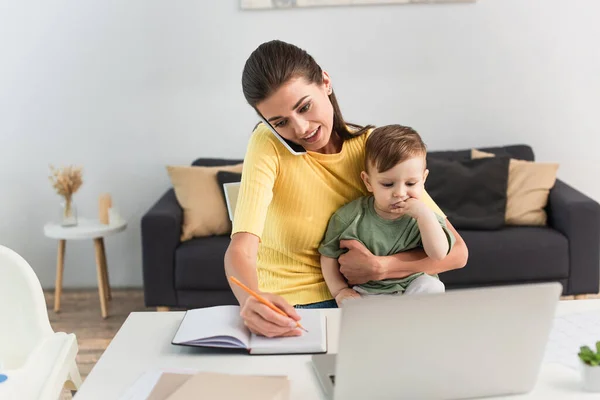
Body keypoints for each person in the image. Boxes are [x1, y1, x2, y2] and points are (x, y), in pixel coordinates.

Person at [224, 40, 468, 338]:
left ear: (325, 82)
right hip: (295, 304)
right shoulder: (268, 144)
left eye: (304, 107)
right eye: (281, 122)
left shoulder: (374, 147)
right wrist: (250, 299)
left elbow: (457, 252)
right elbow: (242, 247)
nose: (300, 129)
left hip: (369, 296)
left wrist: (382, 268)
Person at [319, 125, 455, 306]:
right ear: (368, 182)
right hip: (367, 291)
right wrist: (340, 290)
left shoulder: (424, 216)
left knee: (432, 287)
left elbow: (438, 254)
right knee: (352, 305)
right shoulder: (349, 217)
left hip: (413, 286)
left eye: (411, 183)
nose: (400, 193)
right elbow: (328, 256)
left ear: (423, 180)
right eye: (388, 184)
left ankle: (413, 329)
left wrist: (423, 215)